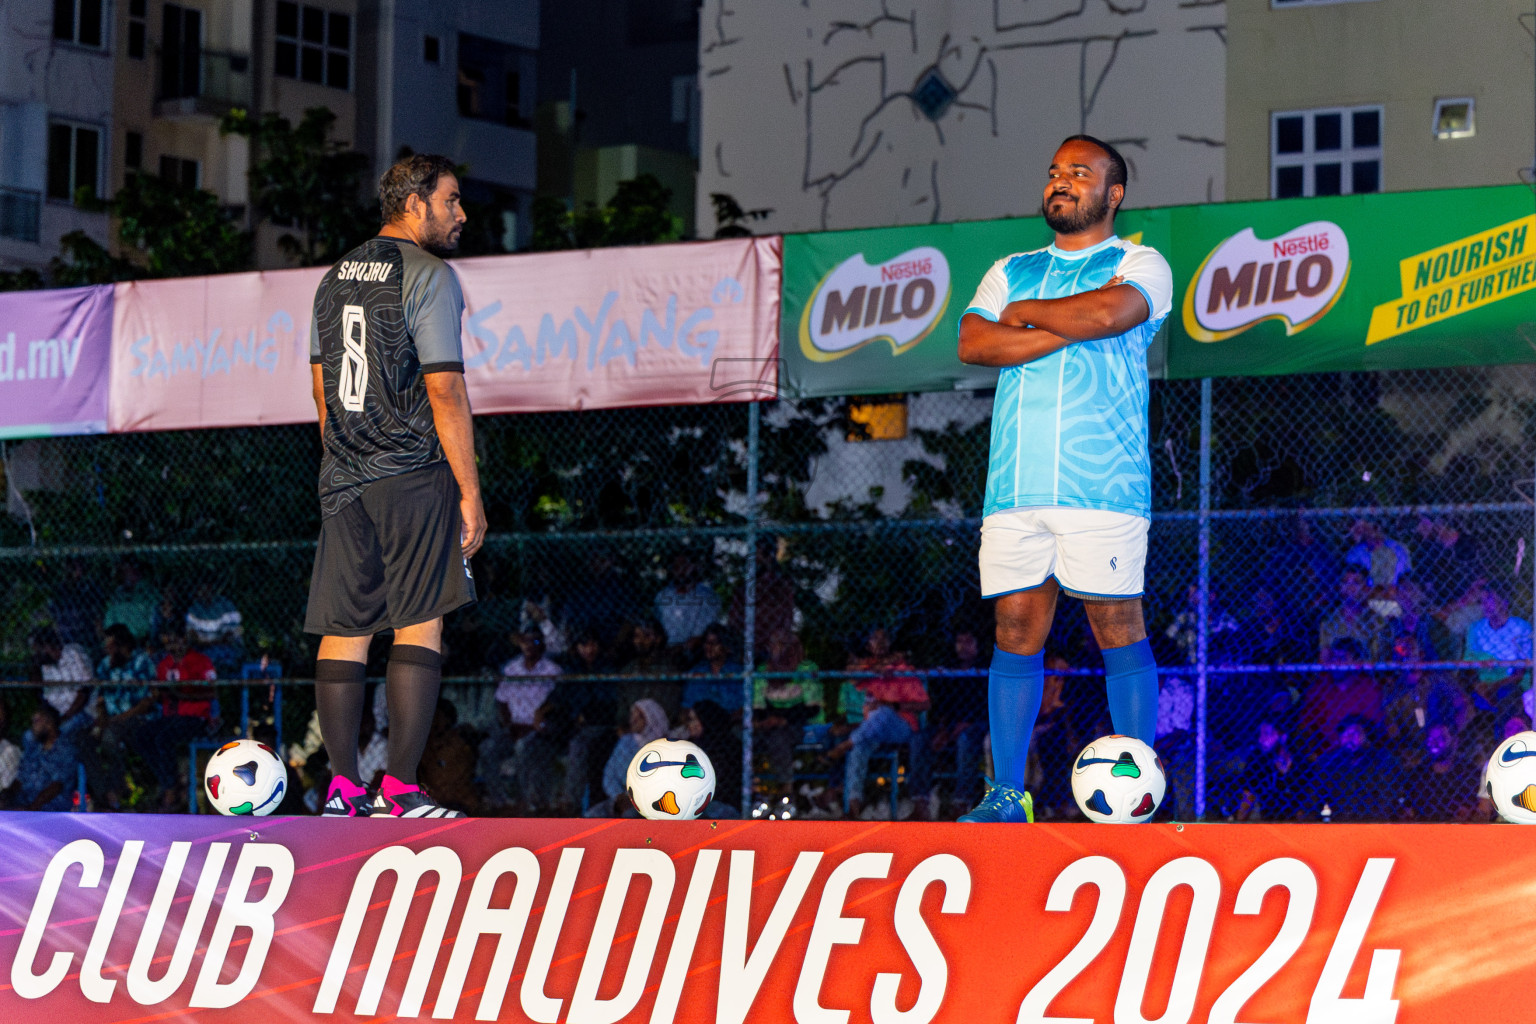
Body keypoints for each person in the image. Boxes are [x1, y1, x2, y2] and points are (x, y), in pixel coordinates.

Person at [953, 134, 1173, 823]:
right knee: (1015, 628)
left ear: (1114, 194)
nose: (1061, 182)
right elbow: (973, 341)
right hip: (1014, 488)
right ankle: (1005, 795)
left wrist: (1028, 319)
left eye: (1080, 173)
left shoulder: (1139, 262)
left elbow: (1111, 313)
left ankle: (1137, 796)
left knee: (1116, 624)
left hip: (1102, 483)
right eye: (1054, 172)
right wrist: (1064, 324)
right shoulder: (1009, 268)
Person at [304, 153, 485, 819]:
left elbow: (323, 389)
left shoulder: (333, 277)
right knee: (419, 626)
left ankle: (343, 790)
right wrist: (470, 491)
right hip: (410, 471)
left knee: (344, 631)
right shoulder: (430, 274)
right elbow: (444, 387)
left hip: (344, 476)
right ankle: (401, 791)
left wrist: (343, 462)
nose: (461, 214)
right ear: (415, 203)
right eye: (452, 200)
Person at [588, 698, 670, 817]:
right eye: (632, 715)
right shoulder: (625, 742)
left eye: (640, 716)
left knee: (629, 814)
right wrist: (618, 796)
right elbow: (609, 774)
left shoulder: (664, 746)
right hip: (620, 798)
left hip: (649, 801)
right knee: (592, 815)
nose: (633, 720)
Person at [1309, 715, 1397, 821]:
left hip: (1371, 820)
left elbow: (1387, 796)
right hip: (1339, 820)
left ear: (1365, 736)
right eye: (1345, 733)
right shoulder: (1328, 762)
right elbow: (1314, 797)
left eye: (1355, 733)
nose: (1349, 737)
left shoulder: (1379, 760)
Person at [17, 704, 89, 812]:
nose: (33, 727)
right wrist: (7, 794)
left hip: (51, 809)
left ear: (49, 724)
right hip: (26, 804)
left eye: (36, 721)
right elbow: (20, 779)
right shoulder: (33, 749)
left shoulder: (66, 750)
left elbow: (57, 786)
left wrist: (30, 809)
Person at [1402, 722, 1479, 821]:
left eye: (1441, 738)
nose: (1434, 743)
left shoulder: (1469, 773)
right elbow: (1407, 811)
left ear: (1455, 742)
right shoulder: (1416, 775)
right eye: (1430, 739)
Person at [30, 626, 92, 721]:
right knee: (30, 735)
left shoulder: (72, 653)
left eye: (37, 650)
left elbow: (84, 691)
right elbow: (44, 697)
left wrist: (65, 718)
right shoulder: (46, 664)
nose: (35, 654)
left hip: (82, 712)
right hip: (59, 716)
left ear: (47, 646)